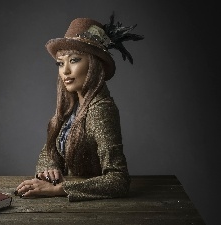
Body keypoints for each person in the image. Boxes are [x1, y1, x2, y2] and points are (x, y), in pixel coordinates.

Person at [15, 13, 143, 201]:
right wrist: (50, 168)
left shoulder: (101, 109)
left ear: (93, 64)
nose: (65, 70)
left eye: (74, 60)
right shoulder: (70, 107)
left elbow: (118, 180)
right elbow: (49, 151)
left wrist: (59, 189)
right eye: (60, 63)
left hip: (98, 210)